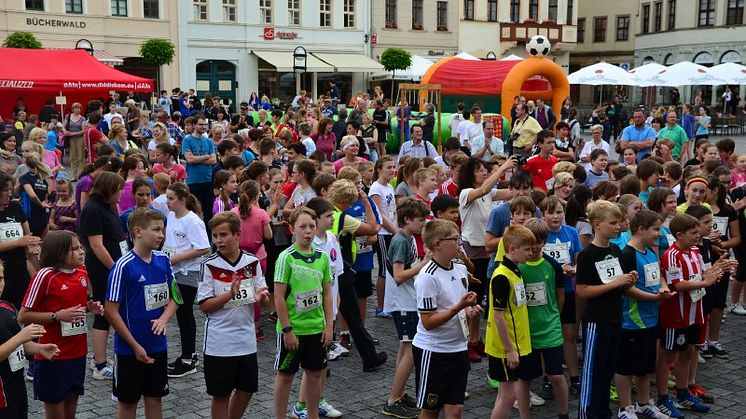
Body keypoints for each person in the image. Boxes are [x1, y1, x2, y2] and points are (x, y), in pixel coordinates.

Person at [105, 208, 182, 419]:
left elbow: (176, 297)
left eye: (163, 230)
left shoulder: (163, 260)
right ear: (138, 232)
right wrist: (134, 345)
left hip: (157, 344)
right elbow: (111, 311)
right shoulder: (123, 266)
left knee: (155, 398)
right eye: (156, 229)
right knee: (128, 403)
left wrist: (164, 318)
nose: (161, 235)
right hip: (129, 349)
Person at [18, 231, 104, 419]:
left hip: (78, 352)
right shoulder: (45, 276)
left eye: (81, 247)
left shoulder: (82, 271)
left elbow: (75, 309)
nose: (81, 252)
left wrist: (90, 308)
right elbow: (23, 316)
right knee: (55, 411)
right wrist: (57, 316)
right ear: (58, 252)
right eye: (74, 249)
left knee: (71, 409)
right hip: (53, 354)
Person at [198, 211, 270, 419]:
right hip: (219, 342)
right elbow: (205, 306)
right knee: (220, 395)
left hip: (246, 340)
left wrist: (262, 297)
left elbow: (264, 299)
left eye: (223, 235)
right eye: (215, 236)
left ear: (237, 234)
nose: (218, 240)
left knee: (247, 390)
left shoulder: (252, 262)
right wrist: (229, 294)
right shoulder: (209, 265)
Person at [411, 219, 480, 419]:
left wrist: (470, 310)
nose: (460, 242)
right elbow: (428, 322)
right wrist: (459, 307)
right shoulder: (427, 277)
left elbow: (459, 306)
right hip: (433, 351)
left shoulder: (459, 268)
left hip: (458, 348)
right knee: (430, 410)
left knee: (456, 409)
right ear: (438, 244)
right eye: (455, 239)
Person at [575, 200, 636, 419]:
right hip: (596, 322)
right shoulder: (586, 255)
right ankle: (587, 414)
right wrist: (615, 283)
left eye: (619, 222)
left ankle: (602, 412)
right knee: (593, 371)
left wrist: (628, 281)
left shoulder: (615, 249)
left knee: (607, 370)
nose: (618, 226)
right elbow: (582, 291)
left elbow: (619, 285)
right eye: (613, 223)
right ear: (597, 224)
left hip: (614, 317)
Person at [273, 207, 334, 419]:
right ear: (292, 230)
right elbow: (278, 297)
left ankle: (312, 415)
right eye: (302, 227)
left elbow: (327, 294)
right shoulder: (286, 258)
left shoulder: (322, 257)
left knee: (315, 374)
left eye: (311, 226)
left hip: (316, 328)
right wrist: (288, 329)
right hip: (294, 330)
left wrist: (329, 326)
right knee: (286, 376)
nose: (308, 231)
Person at [615, 210, 675, 419]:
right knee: (625, 367)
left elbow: (659, 274)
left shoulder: (650, 251)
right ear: (641, 229)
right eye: (656, 229)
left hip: (651, 318)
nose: (659, 234)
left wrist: (664, 288)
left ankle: (643, 403)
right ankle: (625, 407)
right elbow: (627, 289)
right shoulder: (628, 254)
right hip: (633, 321)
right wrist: (655, 299)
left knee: (645, 366)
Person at [382, 198, 431, 419]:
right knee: (410, 350)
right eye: (421, 220)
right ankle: (393, 399)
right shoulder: (401, 240)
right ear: (407, 219)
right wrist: (424, 263)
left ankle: (399, 393)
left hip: (407, 302)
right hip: (404, 303)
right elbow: (399, 275)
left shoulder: (407, 237)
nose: (424, 223)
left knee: (405, 349)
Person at [517, 219, 570, 419]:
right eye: (530, 242)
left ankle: (563, 413)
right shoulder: (518, 267)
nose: (534, 246)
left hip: (550, 330)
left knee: (556, 375)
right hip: (526, 332)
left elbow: (560, 295)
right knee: (525, 378)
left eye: (539, 241)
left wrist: (553, 316)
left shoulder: (552, 266)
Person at [78, 171, 125, 380]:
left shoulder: (109, 207)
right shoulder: (93, 210)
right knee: (103, 314)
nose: (121, 193)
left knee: (111, 312)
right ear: (108, 189)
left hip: (113, 265)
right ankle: (99, 363)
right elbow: (97, 245)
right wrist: (115, 268)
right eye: (119, 190)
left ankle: (99, 357)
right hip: (102, 270)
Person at [486, 225, 535, 419]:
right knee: (509, 395)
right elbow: (498, 316)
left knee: (505, 393)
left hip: (516, 343)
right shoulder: (502, 277)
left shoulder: (515, 271)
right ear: (512, 249)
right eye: (527, 249)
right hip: (504, 346)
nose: (530, 253)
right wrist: (509, 350)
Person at [0, 260, 60, 419]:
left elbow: (18, 343)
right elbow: (18, 339)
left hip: (16, 388)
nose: (0, 284)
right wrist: (21, 336)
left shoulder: (6, 306)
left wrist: (38, 349)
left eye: (0, 278)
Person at [163, 183, 210, 378]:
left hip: (187, 272)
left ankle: (188, 359)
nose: (167, 202)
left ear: (182, 199)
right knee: (182, 314)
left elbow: (204, 248)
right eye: (166, 198)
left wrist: (178, 257)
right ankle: (188, 354)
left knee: (184, 313)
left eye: (171, 198)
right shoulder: (171, 216)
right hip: (174, 270)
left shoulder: (192, 220)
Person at [182, 116, 217, 224]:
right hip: (193, 181)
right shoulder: (187, 140)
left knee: (208, 212)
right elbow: (189, 159)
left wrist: (196, 159)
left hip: (207, 180)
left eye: (205, 125)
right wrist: (206, 157)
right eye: (201, 124)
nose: (203, 127)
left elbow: (213, 160)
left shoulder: (208, 141)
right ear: (194, 125)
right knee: (194, 212)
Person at [63, 103, 86, 179]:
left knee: (81, 158)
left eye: (79, 108)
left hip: (80, 138)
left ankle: (81, 175)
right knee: (73, 158)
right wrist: (64, 131)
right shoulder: (68, 116)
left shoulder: (82, 118)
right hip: (71, 139)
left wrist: (72, 133)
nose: (78, 109)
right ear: (73, 109)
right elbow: (63, 126)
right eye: (76, 108)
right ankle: (73, 176)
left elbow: (83, 131)